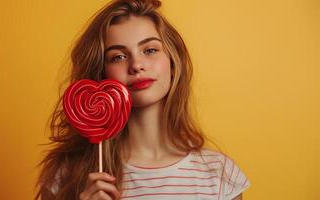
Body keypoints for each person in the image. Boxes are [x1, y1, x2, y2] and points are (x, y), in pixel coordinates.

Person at [34, 0, 251, 199]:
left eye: (150, 50)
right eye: (118, 56)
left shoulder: (220, 175)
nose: (136, 65)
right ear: (101, 74)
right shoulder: (67, 175)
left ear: (173, 63)